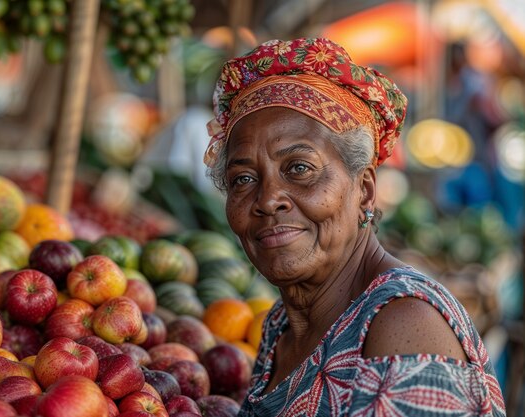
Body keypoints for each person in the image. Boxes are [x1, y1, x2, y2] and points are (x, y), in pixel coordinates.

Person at [204, 37, 506, 416]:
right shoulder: (282, 324)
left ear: (364, 190)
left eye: (299, 168)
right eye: (243, 179)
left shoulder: (403, 329)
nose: (267, 199)